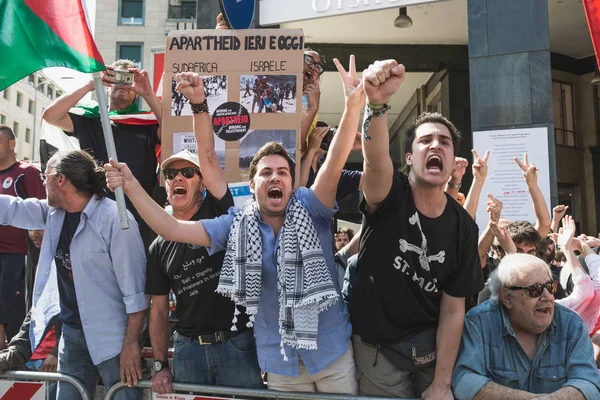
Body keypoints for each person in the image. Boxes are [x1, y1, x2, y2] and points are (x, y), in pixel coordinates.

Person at [105, 55, 367, 394]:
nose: (276, 177)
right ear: (254, 185)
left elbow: (334, 161)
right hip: (282, 363)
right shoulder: (238, 225)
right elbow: (171, 230)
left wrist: (355, 105)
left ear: (292, 183)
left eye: (283, 172)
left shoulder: (311, 208)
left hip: (331, 355)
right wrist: (130, 185)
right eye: (266, 173)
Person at [353, 61, 484, 398]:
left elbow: (454, 308)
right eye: (425, 140)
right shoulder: (388, 192)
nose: (435, 145)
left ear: (454, 159)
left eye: (444, 141)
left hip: (431, 351)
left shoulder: (464, 228)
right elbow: (375, 159)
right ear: (409, 157)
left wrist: (442, 384)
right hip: (377, 349)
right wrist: (376, 105)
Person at [147, 72, 262, 394]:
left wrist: (198, 105)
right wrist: (159, 364)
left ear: (202, 184)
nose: (178, 178)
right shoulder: (158, 245)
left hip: (236, 344)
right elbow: (157, 308)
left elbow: (208, 154)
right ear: (165, 184)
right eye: (171, 174)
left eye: (188, 172)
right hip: (188, 351)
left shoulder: (219, 211)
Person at [0, 150, 148, 400]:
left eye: (45, 177)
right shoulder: (54, 213)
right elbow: (13, 209)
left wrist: (132, 345)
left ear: (61, 180)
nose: (42, 182)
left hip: (113, 339)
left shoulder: (115, 219)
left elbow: (136, 293)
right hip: (71, 336)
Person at [42, 59, 162, 248]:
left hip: (141, 215)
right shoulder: (90, 118)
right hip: (95, 213)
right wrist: (90, 84)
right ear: (107, 85)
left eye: (128, 79)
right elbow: (50, 116)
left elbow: (172, 131)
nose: (123, 84)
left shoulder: (145, 121)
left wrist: (147, 93)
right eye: (117, 78)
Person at [452, 253, 600, 400]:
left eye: (550, 287)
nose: (548, 297)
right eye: (535, 290)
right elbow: (465, 382)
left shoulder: (571, 324)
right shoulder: (479, 323)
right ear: (507, 298)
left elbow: (588, 383)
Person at [0, 125, 46, 348]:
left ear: (11, 144)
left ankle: (20, 356)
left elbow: (42, 209)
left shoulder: (26, 172)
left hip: (17, 254)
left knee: (14, 310)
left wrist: (37, 231)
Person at [0, 308, 61, 400]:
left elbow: (76, 329)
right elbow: (22, 339)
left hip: (58, 368)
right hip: (27, 363)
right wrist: (4, 359)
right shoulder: (39, 300)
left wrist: (56, 353)